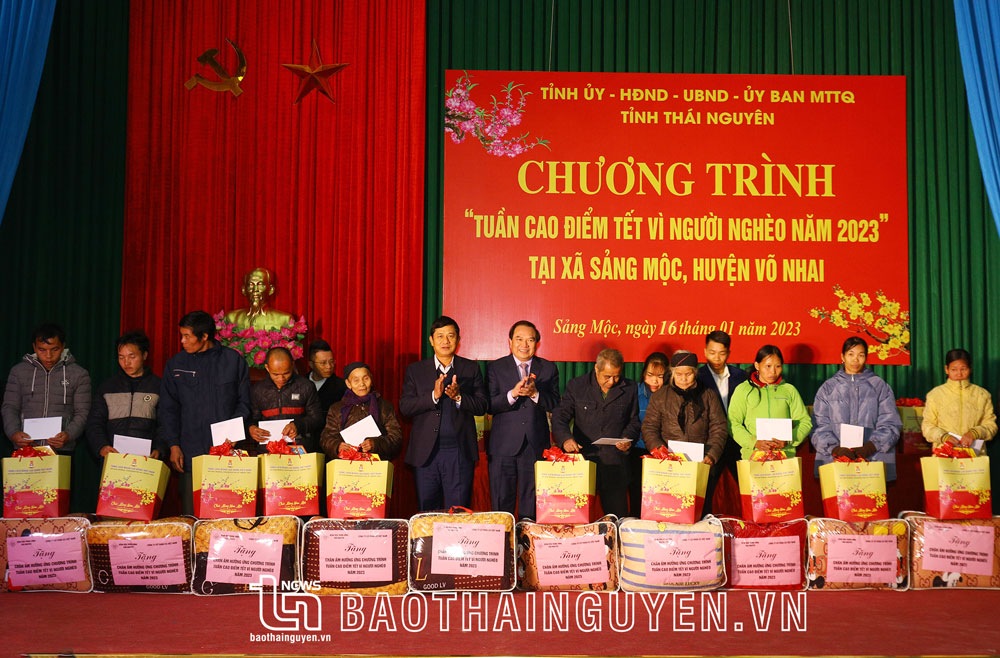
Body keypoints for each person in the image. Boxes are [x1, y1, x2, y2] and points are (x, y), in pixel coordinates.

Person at [159, 310, 251, 514]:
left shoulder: (233, 361)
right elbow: (168, 409)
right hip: (189, 453)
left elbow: (244, 403)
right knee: (192, 515)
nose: (182, 341)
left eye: (187, 336)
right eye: (181, 336)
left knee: (227, 514)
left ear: (205, 336)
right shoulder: (176, 364)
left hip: (226, 453)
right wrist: (173, 444)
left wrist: (232, 436)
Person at [399, 315, 488, 510]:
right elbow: (405, 407)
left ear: (458, 340)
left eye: (450, 336)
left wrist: (459, 397)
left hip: (459, 452)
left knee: (458, 511)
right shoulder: (416, 370)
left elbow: (482, 405)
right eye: (440, 336)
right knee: (428, 511)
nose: (445, 341)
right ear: (431, 340)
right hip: (425, 454)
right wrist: (433, 396)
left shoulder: (470, 368)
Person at [551, 348, 639, 518]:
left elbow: (634, 421)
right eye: (607, 376)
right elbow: (559, 417)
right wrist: (566, 439)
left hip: (615, 463)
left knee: (617, 518)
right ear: (596, 369)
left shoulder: (630, 388)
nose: (612, 381)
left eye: (617, 376)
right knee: (577, 518)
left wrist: (627, 438)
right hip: (584, 461)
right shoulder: (577, 386)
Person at [485, 321, 560, 519]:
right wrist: (513, 394)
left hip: (535, 445)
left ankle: (527, 538)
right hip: (502, 446)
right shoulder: (495, 368)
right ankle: (505, 538)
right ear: (510, 342)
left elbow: (555, 404)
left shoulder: (548, 368)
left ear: (537, 343)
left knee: (532, 504)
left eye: (530, 340)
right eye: (519, 339)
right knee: (501, 503)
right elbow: (488, 404)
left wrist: (536, 394)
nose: (524, 344)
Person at [812, 337, 902, 479]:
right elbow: (819, 425)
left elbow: (891, 423)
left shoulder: (879, 386)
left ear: (866, 358)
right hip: (836, 461)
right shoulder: (828, 388)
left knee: (871, 494)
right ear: (842, 357)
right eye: (851, 354)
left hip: (873, 459)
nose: (855, 359)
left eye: (861, 355)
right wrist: (835, 449)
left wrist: (870, 447)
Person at [3, 323, 91, 454]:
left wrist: (69, 434)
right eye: (42, 350)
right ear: (34, 347)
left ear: (63, 346)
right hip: (26, 448)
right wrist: (14, 433)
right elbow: (10, 407)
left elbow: (83, 412)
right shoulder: (18, 372)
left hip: (61, 449)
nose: (48, 355)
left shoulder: (79, 374)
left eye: (54, 349)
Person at [86, 331, 165, 460]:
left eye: (132, 357)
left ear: (144, 355)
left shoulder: (158, 386)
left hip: (147, 459)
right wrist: (101, 446)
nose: (126, 362)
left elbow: (165, 424)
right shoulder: (107, 387)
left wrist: (159, 449)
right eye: (121, 357)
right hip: (113, 458)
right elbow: (94, 422)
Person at [641, 351, 727, 468]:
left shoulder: (709, 396)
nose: (683, 379)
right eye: (678, 374)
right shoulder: (660, 396)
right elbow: (649, 428)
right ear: (672, 373)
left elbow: (719, 428)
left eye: (688, 374)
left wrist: (711, 454)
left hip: (700, 462)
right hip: (667, 462)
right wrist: (660, 449)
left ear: (695, 373)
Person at [728, 345, 812, 460]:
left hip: (784, 458)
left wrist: (789, 439)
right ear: (757, 365)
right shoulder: (743, 390)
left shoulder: (789, 390)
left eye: (778, 366)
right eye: (768, 366)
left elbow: (805, 421)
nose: (773, 371)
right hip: (753, 458)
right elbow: (733, 423)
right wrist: (753, 442)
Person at [695, 330, 749, 506]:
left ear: (729, 353)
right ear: (705, 351)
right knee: (705, 491)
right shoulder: (697, 377)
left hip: (737, 441)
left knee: (749, 488)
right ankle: (705, 522)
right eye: (712, 352)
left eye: (722, 353)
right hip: (711, 442)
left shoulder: (741, 377)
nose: (717, 358)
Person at [320, 362, 402, 461]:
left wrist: (375, 444)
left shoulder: (385, 407)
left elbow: (396, 438)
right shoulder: (337, 409)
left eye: (366, 378)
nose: (362, 384)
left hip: (376, 464)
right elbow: (326, 438)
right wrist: (337, 446)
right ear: (348, 384)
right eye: (356, 380)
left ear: (371, 380)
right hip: (347, 465)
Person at [247, 347, 324, 453]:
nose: (281, 378)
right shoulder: (258, 390)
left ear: (292, 365)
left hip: (299, 448)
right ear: (267, 368)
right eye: (275, 374)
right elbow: (253, 418)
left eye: (286, 373)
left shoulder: (306, 386)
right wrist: (251, 428)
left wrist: (298, 425)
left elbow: (317, 418)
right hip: (269, 449)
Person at [922, 348, 997, 449]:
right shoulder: (935, 394)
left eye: (963, 369)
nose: (959, 374)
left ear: (970, 369)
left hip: (974, 453)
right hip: (944, 452)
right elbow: (927, 426)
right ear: (946, 369)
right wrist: (944, 437)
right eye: (954, 369)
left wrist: (975, 433)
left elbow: (991, 425)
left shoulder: (982, 394)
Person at [628, 351, 668, 516]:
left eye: (660, 376)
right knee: (638, 494)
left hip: (664, 453)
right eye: (650, 375)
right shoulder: (634, 393)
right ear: (644, 373)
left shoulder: (671, 394)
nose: (654, 381)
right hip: (638, 450)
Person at [224, 267, 294, 331]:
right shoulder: (232, 318)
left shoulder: (285, 320)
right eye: (250, 285)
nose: (255, 289)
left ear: (271, 290)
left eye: (260, 284)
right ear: (244, 290)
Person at [307, 339, 346, 415]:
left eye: (331, 362)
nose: (329, 366)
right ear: (311, 364)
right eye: (323, 363)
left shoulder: (341, 386)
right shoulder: (300, 384)